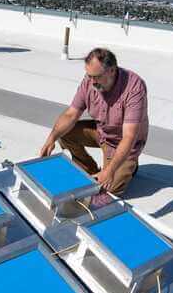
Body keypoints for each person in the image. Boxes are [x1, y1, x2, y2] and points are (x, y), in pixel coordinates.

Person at [40, 47, 148, 197]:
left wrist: (109, 171)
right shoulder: (90, 80)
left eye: (96, 76)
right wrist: (51, 139)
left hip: (123, 142)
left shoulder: (134, 88)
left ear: (111, 70)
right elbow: (71, 114)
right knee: (65, 132)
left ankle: (130, 165)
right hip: (102, 132)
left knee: (107, 190)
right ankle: (89, 169)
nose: (91, 81)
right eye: (89, 75)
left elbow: (129, 137)